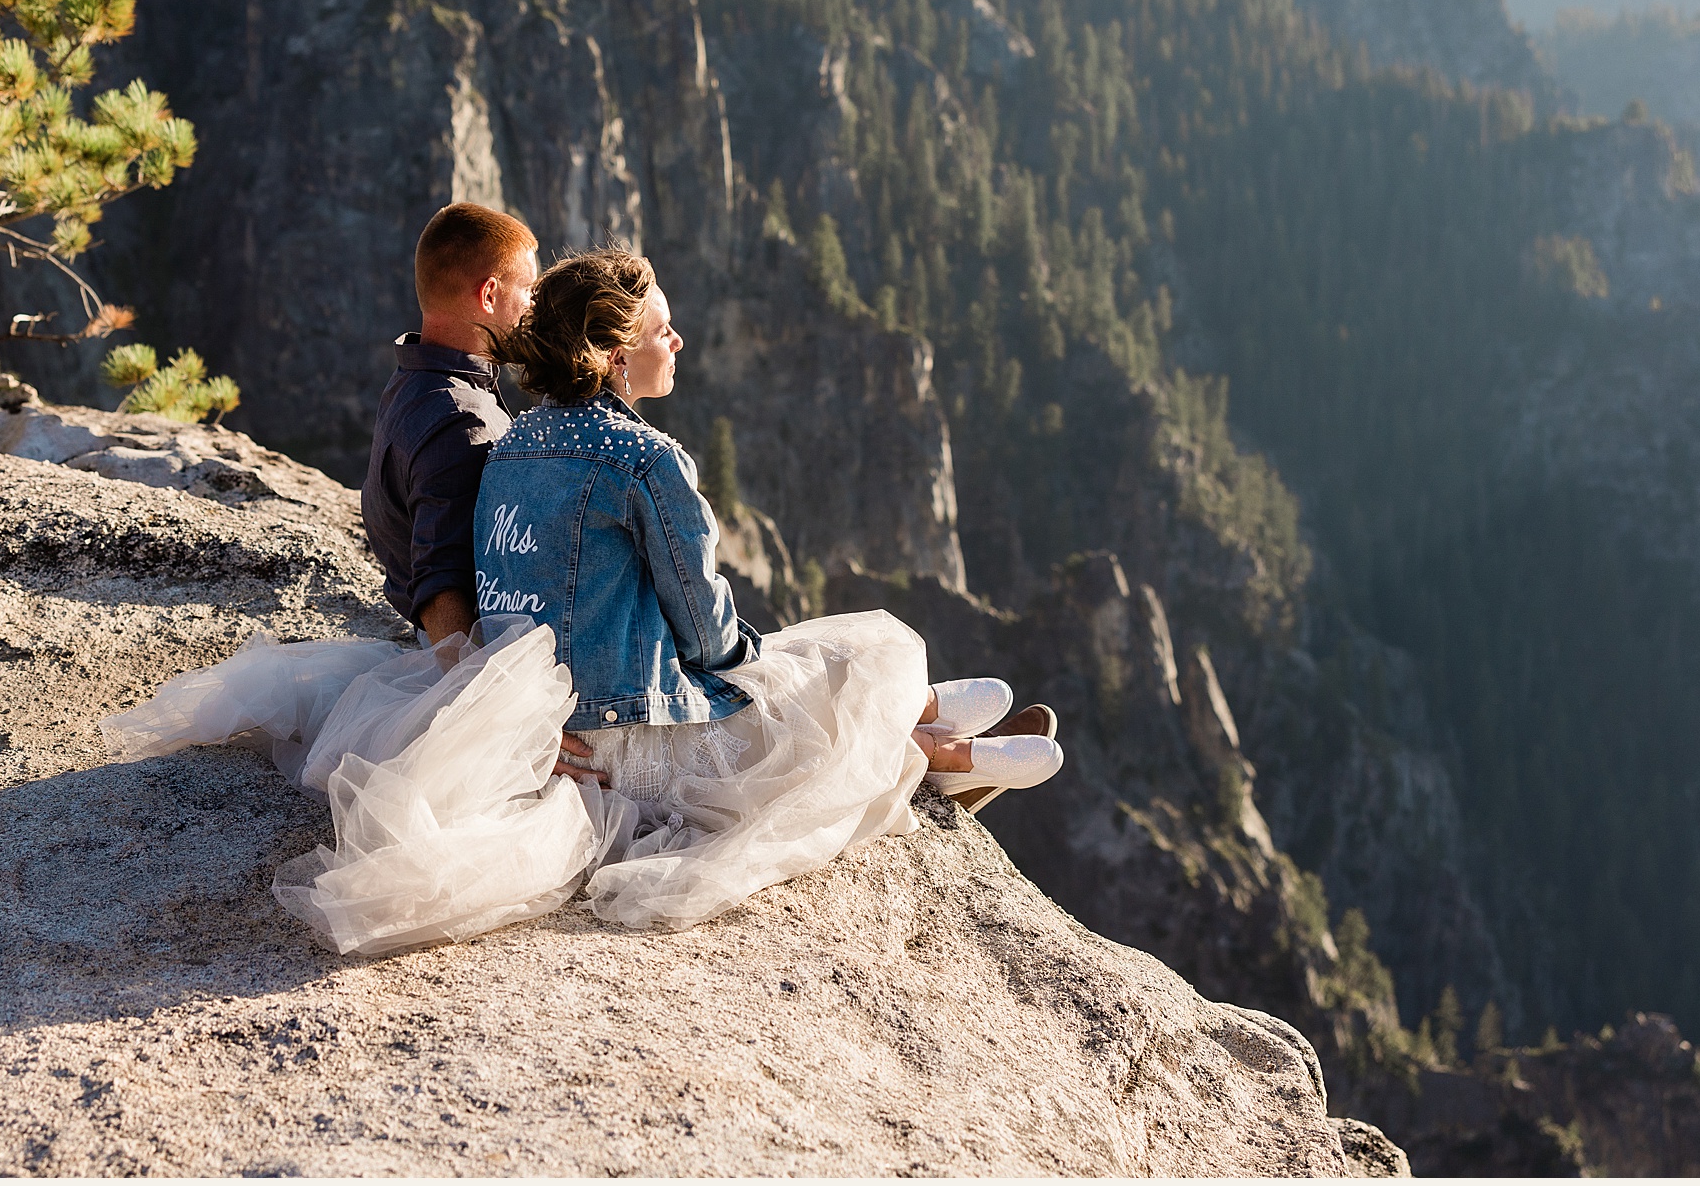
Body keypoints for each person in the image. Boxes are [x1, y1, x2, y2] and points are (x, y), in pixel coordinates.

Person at [100, 248, 1060, 956]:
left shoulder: (510, 447)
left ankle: (937, 734)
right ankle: (937, 748)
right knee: (830, 672)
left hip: (548, 728)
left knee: (811, 668)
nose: (677, 341)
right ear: (610, 355)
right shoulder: (649, 460)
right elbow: (710, 633)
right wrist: (766, 670)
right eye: (660, 330)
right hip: (632, 745)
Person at [358, 203, 539, 647]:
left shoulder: (412, 381)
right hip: (476, 667)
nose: (535, 307)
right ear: (490, 294)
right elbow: (444, 590)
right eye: (529, 291)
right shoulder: (460, 420)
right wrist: (481, 708)